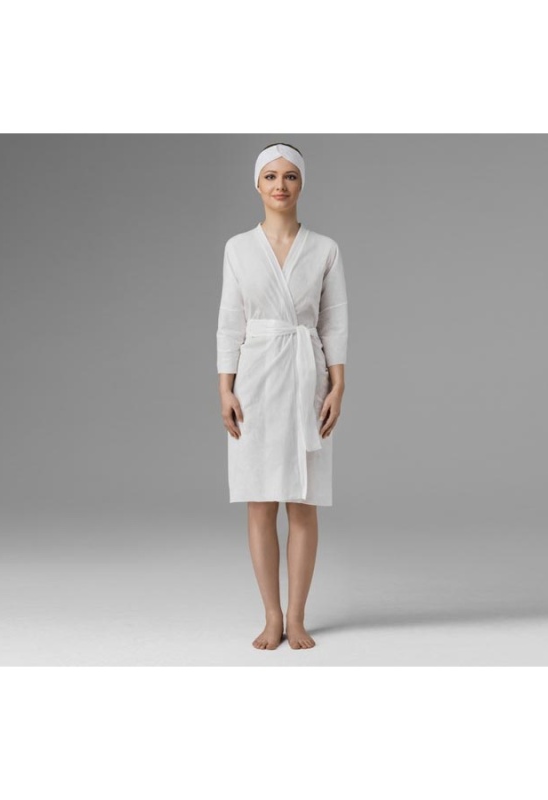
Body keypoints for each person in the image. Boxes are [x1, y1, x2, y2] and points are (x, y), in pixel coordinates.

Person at [216, 142, 349, 650]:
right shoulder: (237, 248)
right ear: (257, 184)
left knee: (303, 501)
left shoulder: (325, 249)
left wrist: (338, 383)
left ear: (301, 184)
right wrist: (225, 387)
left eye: (290, 176)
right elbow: (230, 321)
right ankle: (272, 615)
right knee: (259, 501)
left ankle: (298, 615)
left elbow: (335, 321)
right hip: (254, 378)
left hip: (306, 375)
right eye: (270, 176)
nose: (280, 185)